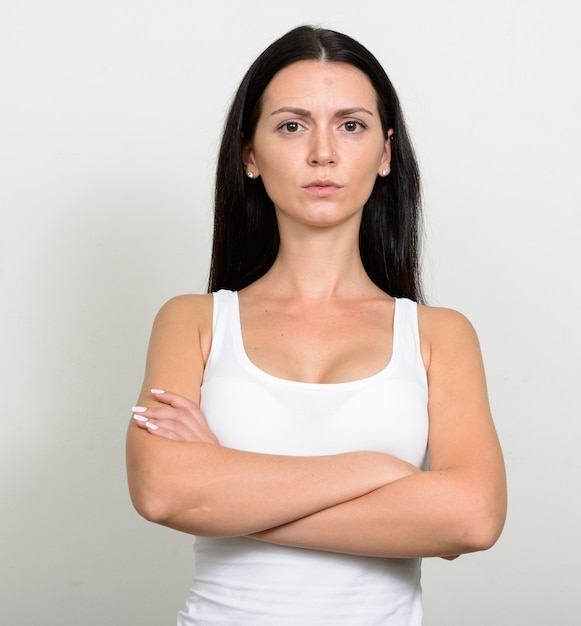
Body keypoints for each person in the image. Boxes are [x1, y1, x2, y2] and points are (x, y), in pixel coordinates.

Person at [126, 24, 507, 626]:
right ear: (249, 154)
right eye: (291, 125)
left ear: (385, 154)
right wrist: (379, 473)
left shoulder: (439, 336)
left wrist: (226, 489)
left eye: (351, 125)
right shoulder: (193, 323)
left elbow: (472, 518)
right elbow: (164, 493)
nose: (322, 153)